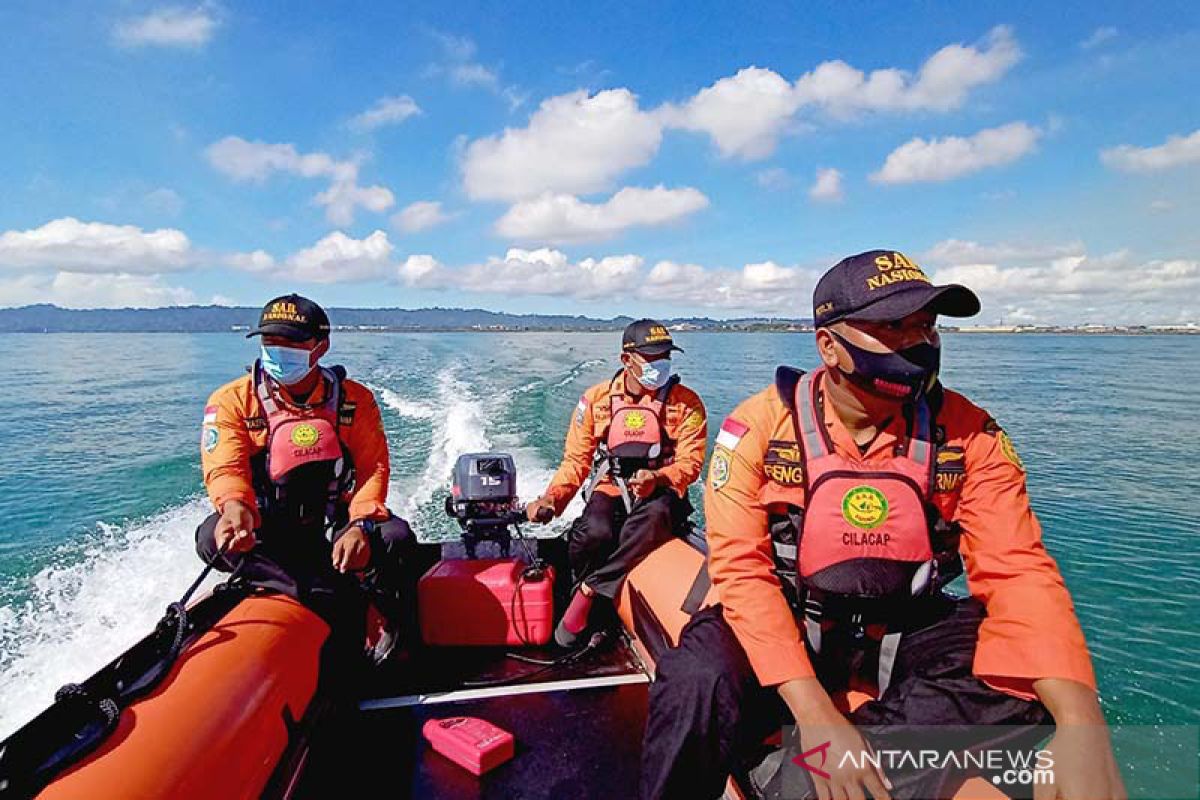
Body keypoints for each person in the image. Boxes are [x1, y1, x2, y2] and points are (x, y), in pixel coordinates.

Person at [641, 251, 1126, 800]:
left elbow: (1017, 569)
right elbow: (742, 573)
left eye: (926, 325)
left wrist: (1082, 719)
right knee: (693, 678)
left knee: (1023, 685)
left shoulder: (971, 435)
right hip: (791, 613)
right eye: (893, 327)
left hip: (904, 626)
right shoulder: (756, 429)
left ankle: (810, 778)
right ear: (830, 346)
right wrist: (815, 711)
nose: (918, 343)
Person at [196, 294, 427, 665]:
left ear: (320, 347)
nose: (277, 351)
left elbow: (373, 469)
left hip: (333, 524)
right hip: (267, 527)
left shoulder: (356, 401)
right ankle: (311, 589)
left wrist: (359, 525)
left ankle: (387, 617)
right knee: (211, 540)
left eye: (291, 343)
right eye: (270, 342)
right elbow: (225, 467)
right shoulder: (233, 401)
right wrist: (234, 507)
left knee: (398, 539)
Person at [526, 320, 708, 647]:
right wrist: (552, 500)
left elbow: (690, 463)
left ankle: (590, 591)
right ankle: (594, 613)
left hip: (661, 490)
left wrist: (659, 477)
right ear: (627, 360)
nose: (660, 364)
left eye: (665, 356)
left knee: (651, 521)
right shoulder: (596, 401)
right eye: (651, 358)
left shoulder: (687, 404)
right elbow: (576, 461)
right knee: (591, 533)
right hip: (612, 485)